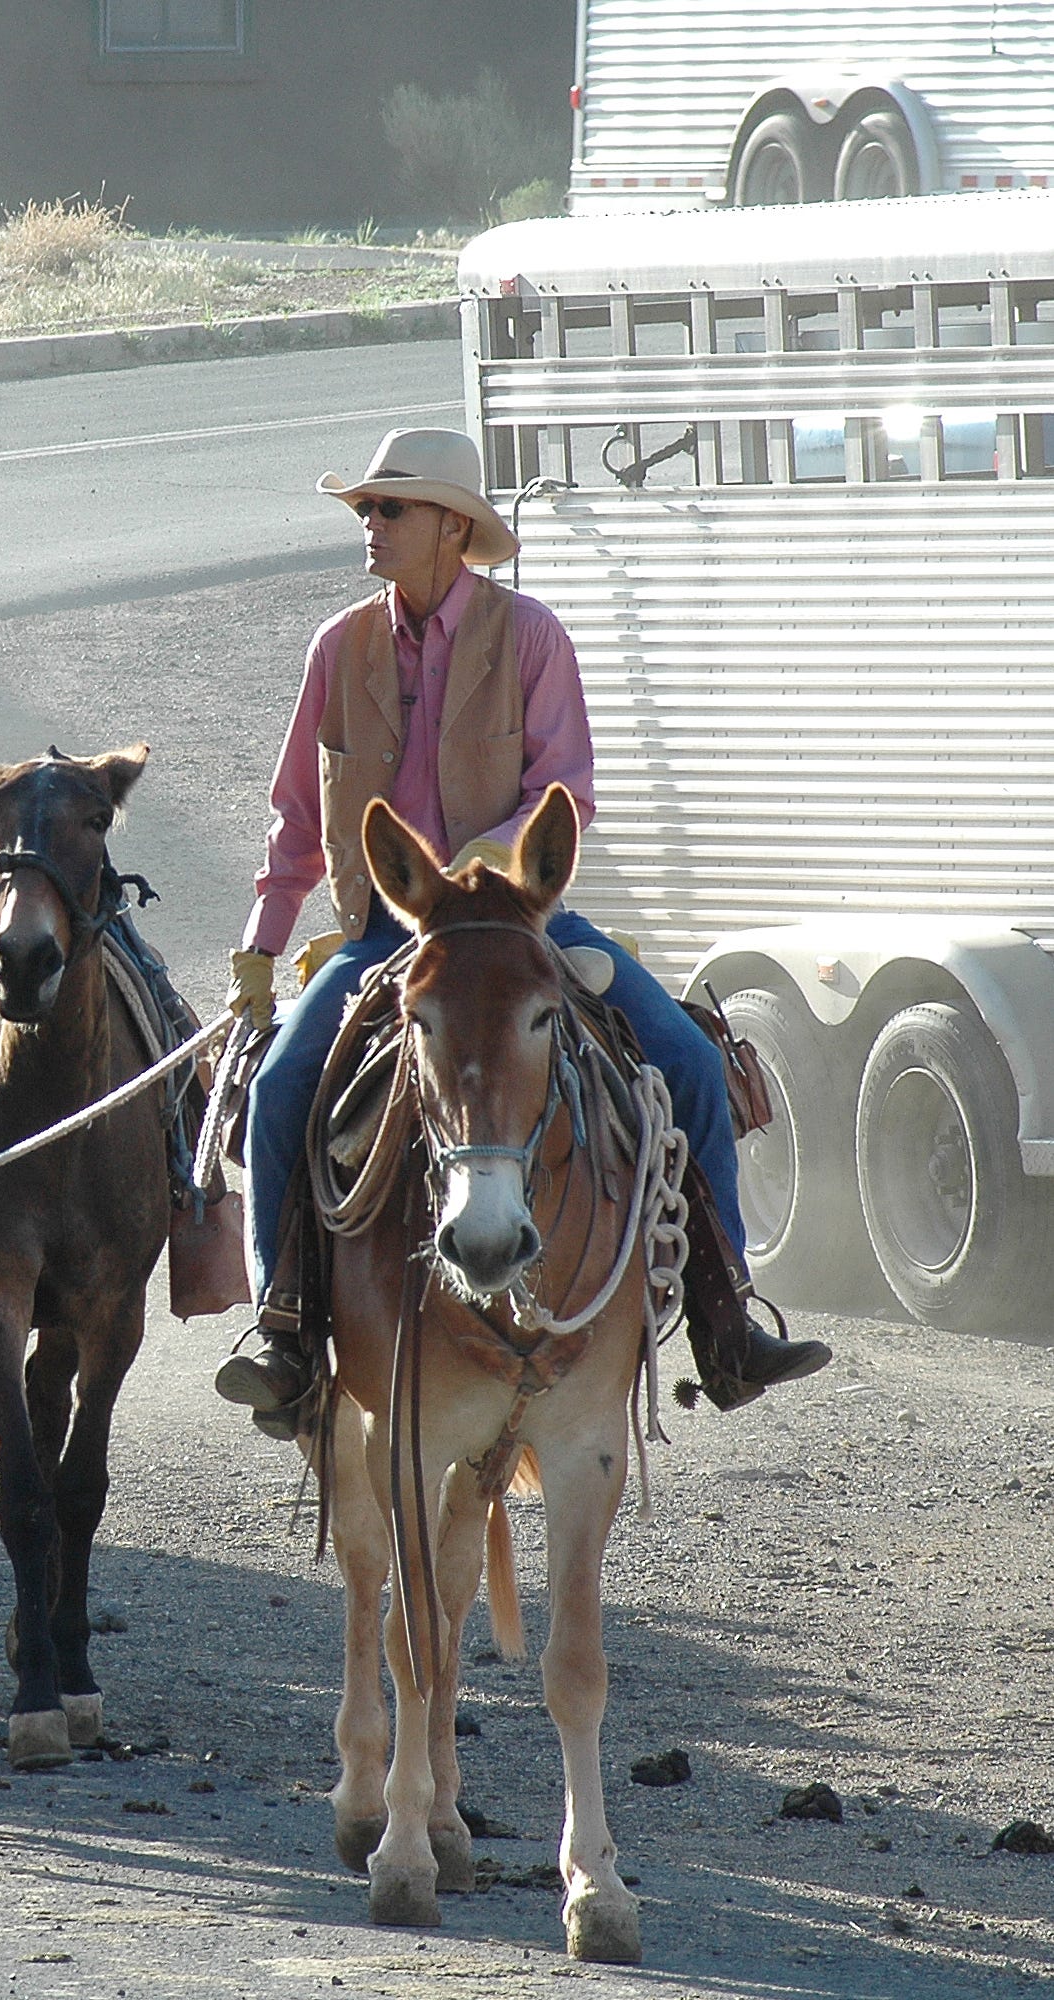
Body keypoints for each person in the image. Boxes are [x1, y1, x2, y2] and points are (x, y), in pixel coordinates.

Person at [213, 427, 828, 1433]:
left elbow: (563, 792)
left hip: (526, 923)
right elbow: (294, 815)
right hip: (387, 933)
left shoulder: (532, 636)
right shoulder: (338, 647)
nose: (370, 522)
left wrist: (476, 866)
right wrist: (261, 945)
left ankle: (726, 1318)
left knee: (686, 1058)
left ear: (452, 527)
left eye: (391, 507)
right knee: (280, 1085)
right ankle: (283, 1327)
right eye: (366, 508)